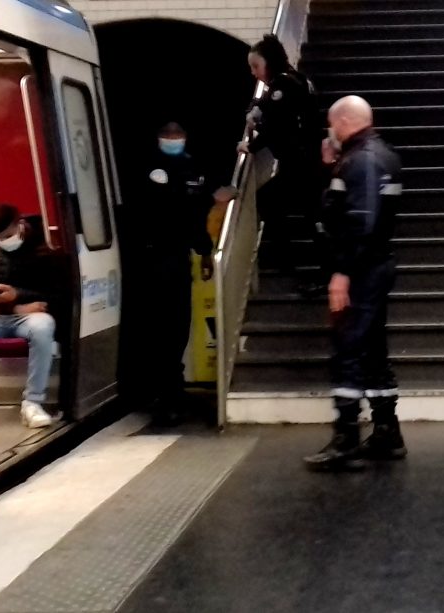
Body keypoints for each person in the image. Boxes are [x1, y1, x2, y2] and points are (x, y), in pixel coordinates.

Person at [304, 96, 405, 472]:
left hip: (361, 270)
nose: (329, 131)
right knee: (374, 349)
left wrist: (342, 272)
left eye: (331, 124)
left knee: (347, 348)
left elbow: (361, 221)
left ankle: (346, 439)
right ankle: (386, 431)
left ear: (343, 121)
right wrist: (332, 166)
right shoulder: (379, 155)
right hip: (375, 265)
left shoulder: (361, 160)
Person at [135, 122, 221, 426]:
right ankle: (163, 394)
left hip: (180, 257)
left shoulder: (192, 167)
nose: (174, 141)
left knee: (179, 325)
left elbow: (196, 214)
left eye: (178, 137)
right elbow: (160, 208)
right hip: (153, 257)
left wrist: (205, 251)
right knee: (161, 327)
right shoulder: (149, 167)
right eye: (169, 137)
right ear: (159, 139)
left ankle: (174, 389)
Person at [240, 34, 325, 294]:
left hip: (299, 163)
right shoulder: (296, 79)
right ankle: (313, 266)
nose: (254, 73)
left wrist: (250, 146)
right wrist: (256, 109)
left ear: (269, 62)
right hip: (307, 161)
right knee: (310, 214)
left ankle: (289, 262)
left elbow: (277, 125)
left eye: (256, 66)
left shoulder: (283, 86)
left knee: (274, 202)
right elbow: (265, 106)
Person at [0, 204, 59, 428]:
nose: (4, 241)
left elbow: (54, 293)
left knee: (43, 327)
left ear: (19, 224)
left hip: (30, 316)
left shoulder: (42, 249)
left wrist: (18, 295)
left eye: (8, 235)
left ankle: (33, 402)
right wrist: (13, 307)